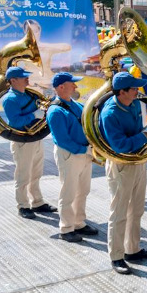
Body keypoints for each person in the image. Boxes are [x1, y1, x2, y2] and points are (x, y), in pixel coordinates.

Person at [99, 72, 147, 275]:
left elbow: (137, 131)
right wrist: (146, 135)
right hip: (121, 165)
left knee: (136, 209)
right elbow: (120, 145)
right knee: (119, 212)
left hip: (137, 162)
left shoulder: (134, 104)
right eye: (134, 88)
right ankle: (116, 256)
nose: (138, 91)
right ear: (122, 91)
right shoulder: (110, 114)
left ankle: (132, 249)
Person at [46, 72, 96, 243]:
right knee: (69, 192)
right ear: (61, 87)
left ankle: (79, 222)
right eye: (72, 84)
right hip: (70, 154)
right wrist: (86, 150)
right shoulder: (55, 110)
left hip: (83, 152)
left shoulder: (77, 105)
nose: (75, 86)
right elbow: (62, 140)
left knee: (83, 190)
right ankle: (66, 228)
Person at [1, 66, 57, 219]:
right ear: (13, 80)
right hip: (23, 141)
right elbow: (16, 121)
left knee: (36, 173)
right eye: (23, 77)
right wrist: (34, 114)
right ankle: (23, 205)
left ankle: (37, 202)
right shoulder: (10, 99)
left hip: (35, 138)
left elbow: (39, 109)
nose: (27, 78)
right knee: (23, 174)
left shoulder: (28, 94)